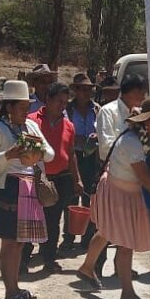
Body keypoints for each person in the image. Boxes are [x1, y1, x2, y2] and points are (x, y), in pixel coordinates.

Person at [77, 97, 150, 299]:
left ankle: (87, 267)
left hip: (130, 191)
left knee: (107, 231)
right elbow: (146, 179)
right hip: (118, 192)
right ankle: (127, 294)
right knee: (125, 242)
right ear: (146, 121)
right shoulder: (131, 142)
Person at [0, 80, 55, 299]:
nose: (26, 112)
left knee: (20, 243)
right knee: (10, 242)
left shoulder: (31, 127)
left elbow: (50, 154)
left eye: (27, 107)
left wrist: (37, 152)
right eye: (22, 108)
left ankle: (14, 287)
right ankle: (10, 291)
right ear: (9, 107)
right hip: (8, 189)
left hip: (28, 188)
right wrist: (8, 155)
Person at [30, 82, 82, 273]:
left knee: (53, 222)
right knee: (31, 219)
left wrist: (77, 179)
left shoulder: (69, 125)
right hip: (35, 178)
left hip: (60, 179)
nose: (62, 105)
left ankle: (49, 259)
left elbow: (71, 153)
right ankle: (23, 259)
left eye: (65, 102)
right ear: (48, 99)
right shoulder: (32, 121)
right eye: (59, 101)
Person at [62, 72, 100, 251]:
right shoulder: (67, 110)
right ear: (75, 91)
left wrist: (96, 137)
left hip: (92, 158)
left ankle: (87, 237)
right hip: (73, 156)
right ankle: (68, 237)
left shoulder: (97, 110)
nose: (86, 93)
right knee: (70, 199)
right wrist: (78, 139)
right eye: (82, 89)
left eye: (88, 89)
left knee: (90, 200)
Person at [97, 73, 147, 160]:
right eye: (141, 94)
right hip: (117, 167)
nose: (144, 98)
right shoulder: (108, 111)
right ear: (130, 93)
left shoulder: (141, 113)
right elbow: (106, 147)